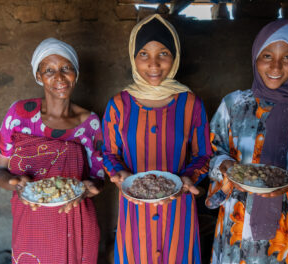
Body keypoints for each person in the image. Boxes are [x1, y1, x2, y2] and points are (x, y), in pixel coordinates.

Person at [206, 19, 288, 264]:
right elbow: (211, 154)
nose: (275, 66)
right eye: (267, 55)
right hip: (237, 221)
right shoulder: (233, 105)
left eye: (287, 57)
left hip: (287, 228)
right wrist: (224, 167)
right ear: (255, 58)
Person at [102, 14, 212, 263]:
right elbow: (108, 152)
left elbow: (204, 153)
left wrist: (188, 177)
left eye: (163, 53)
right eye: (144, 54)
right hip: (134, 210)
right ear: (133, 56)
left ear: (174, 57)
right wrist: (118, 174)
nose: (154, 64)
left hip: (178, 208)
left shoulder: (191, 104)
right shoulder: (119, 105)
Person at [0, 38, 105, 264]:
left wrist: (89, 189)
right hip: (31, 223)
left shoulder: (90, 123)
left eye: (66, 68)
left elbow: (99, 178)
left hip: (76, 221)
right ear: (38, 76)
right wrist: (16, 183)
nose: (59, 78)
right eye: (49, 70)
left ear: (76, 73)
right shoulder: (19, 115)